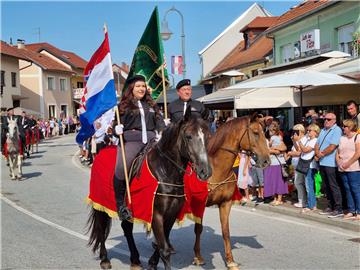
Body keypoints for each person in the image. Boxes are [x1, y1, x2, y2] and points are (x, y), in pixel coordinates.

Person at [113, 75, 165, 221]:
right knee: (121, 167)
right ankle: (120, 205)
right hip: (132, 140)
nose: (141, 88)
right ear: (131, 89)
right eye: (138, 86)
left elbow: (159, 122)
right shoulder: (123, 106)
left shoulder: (153, 105)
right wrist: (116, 129)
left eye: (143, 86)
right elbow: (114, 126)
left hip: (152, 140)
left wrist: (163, 129)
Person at [315, 112, 343, 218]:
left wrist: (320, 154)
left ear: (334, 120)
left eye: (329, 119)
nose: (326, 121)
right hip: (322, 162)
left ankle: (338, 208)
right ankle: (330, 206)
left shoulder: (337, 130)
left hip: (331, 163)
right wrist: (317, 152)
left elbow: (332, 146)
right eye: (325, 119)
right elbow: (317, 143)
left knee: (333, 185)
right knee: (326, 186)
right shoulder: (323, 130)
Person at [336, 119, 360, 220]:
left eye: (345, 126)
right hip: (342, 168)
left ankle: (358, 211)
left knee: (355, 189)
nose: (343, 128)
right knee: (347, 190)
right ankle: (351, 210)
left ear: (350, 127)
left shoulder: (357, 137)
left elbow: (358, 153)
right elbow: (337, 153)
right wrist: (339, 162)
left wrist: (348, 163)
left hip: (354, 168)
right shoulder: (342, 138)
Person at [264, 122, 288, 206]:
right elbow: (268, 150)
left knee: (278, 181)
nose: (271, 131)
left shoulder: (275, 137)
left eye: (273, 129)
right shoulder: (272, 138)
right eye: (270, 129)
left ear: (276, 130)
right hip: (271, 162)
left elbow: (283, 148)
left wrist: (272, 149)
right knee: (273, 181)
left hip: (277, 163)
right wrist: (274, 150)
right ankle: (275, 198)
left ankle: (279, 199)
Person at [298, 124, 321, 213]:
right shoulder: (308, 140)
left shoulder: (314, 140)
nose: (308, 132)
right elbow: (300, 149)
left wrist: (299, 142)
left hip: (310, 165)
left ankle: (310, 205)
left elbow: (305, 150)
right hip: (307, 165)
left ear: (315, 132)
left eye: (310, 130)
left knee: (309, 186)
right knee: (309, 185)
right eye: (307, 130)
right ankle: (313, 204)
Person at [287, 124, 307, 208]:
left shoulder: (304, 139)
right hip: (296, 164)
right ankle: (301, 200)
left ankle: (303, 201)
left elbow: (299, 152)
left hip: (302, 164)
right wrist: (294, 141)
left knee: (300, 183)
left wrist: (291, 153)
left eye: (296, 131)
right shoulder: (297, 140)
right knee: (297, 183)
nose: (294, 133)